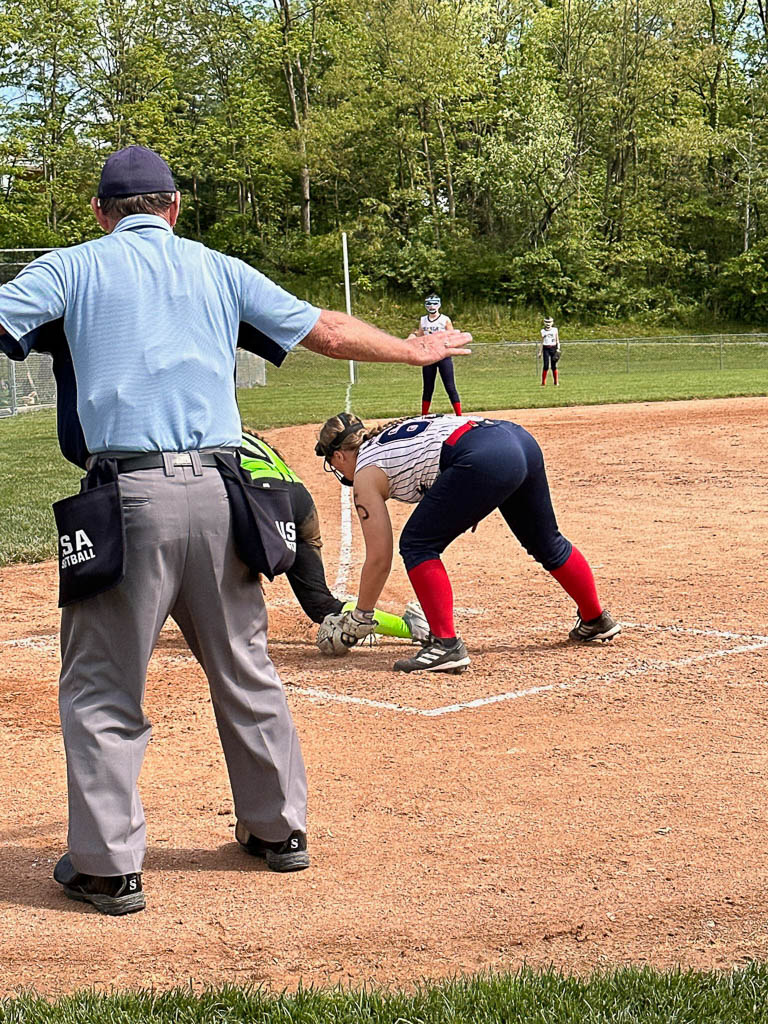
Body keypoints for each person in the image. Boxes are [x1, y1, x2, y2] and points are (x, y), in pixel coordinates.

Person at [0, 145, 471, 915]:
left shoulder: (71, 266)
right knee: (245, 665)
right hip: (226, 493)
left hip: (127, 497)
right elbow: (325, 330)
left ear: (100, 214)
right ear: (175, 208)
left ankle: (109, 867)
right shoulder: (218, 267)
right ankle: (279, 831)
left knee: (101, 687)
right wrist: (413, 349)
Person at [314, 413, 620, 673]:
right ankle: (595, 619)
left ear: (338, 455)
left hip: (484, 456)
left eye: (334, 463)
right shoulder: (389, 438)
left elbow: (380, 558)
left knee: (417, 544)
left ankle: (445, 645)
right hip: (516, 439)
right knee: (546, 542)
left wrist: (361, 616)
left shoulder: (366, 471)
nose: (338, 471)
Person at [239, 429, 428, 645]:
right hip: (299, 499)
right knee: (320, 604)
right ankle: (412, 627)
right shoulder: (248, 440)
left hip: (266, 498)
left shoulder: (209, 438)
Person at [411, 293, 462, 415]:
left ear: (439, 304)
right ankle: (424, 414)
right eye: (429, 303)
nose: (432, 306)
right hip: (429, 356)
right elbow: (420, 335)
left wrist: (446, 343)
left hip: (443, 356)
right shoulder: (423, 320)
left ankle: (459, 414)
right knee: (428, 387)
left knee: (450, 386)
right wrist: (413, 337)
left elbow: (452, 336)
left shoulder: (445, 319)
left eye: (434, 303)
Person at [539, 315, 561, 386]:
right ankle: (543, 382)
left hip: (553, 348)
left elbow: (557, 340)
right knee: (545, 366)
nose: (548, 324)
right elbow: (542, 342)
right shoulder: (543, 331)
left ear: (552, 323)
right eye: (546, 322)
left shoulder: (555, 330)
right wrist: (540, 352)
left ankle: (556, 382)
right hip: (546, 348)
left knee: (553, 366)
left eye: (549, 322)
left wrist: (558, 348)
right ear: (544, 323)